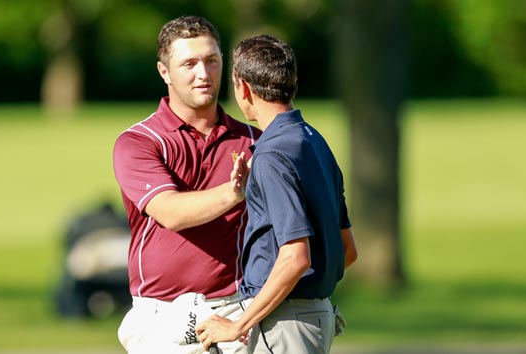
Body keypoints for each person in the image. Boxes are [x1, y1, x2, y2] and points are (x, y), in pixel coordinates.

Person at [196, 34, 358, 354]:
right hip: (315, 315)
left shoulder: (270, 154)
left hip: (285, 323)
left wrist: (238, 326)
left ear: (242, 87)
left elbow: (296, 257)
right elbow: (347, 250)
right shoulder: (314, 142)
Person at [112, 16, 261, 354]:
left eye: (212, 61)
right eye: (189, 63)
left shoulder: (253, 138)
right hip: (161, 313)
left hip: (237, 307)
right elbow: (170, 213)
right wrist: (235, 191)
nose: (203, 74)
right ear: (164, 71)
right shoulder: (139, 142)